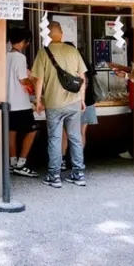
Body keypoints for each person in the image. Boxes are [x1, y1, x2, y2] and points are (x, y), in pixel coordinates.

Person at [33, 21, 88, 188]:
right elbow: (82, 78)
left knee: (55, 139)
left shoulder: (43, 53)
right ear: (62, 34)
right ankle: (78, 173)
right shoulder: (73, 51)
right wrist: (83, 100)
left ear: (48, 36)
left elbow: (39, 80)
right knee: (75, 137)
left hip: (54, 103)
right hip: (74, 101)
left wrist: (38, 100)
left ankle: (54, 176)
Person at [5, 27, 39, 178]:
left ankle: (12, 163)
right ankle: (21, 163)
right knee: (32, 130)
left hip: (8, 102)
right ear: (25, 42)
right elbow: (22, 79)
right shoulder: (20, 58)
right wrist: (34, 81)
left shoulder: (5, 56)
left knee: (11, 132)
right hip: (21, 103)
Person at [61, 42, 97, 171]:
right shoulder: (85, 61)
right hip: (88, 101)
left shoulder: (69, 62)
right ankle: (78, 161)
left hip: (74, 101)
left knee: (64, 133)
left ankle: (63, 160)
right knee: (81, 132)